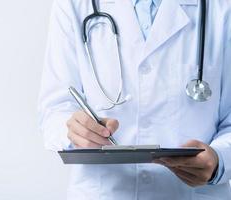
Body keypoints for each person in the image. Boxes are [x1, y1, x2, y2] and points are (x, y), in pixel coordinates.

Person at [38, 0, 231, 199]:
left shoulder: (222, 7)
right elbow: (55, 107)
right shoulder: (74, 4)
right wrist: (75, 130)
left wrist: (219, 160)